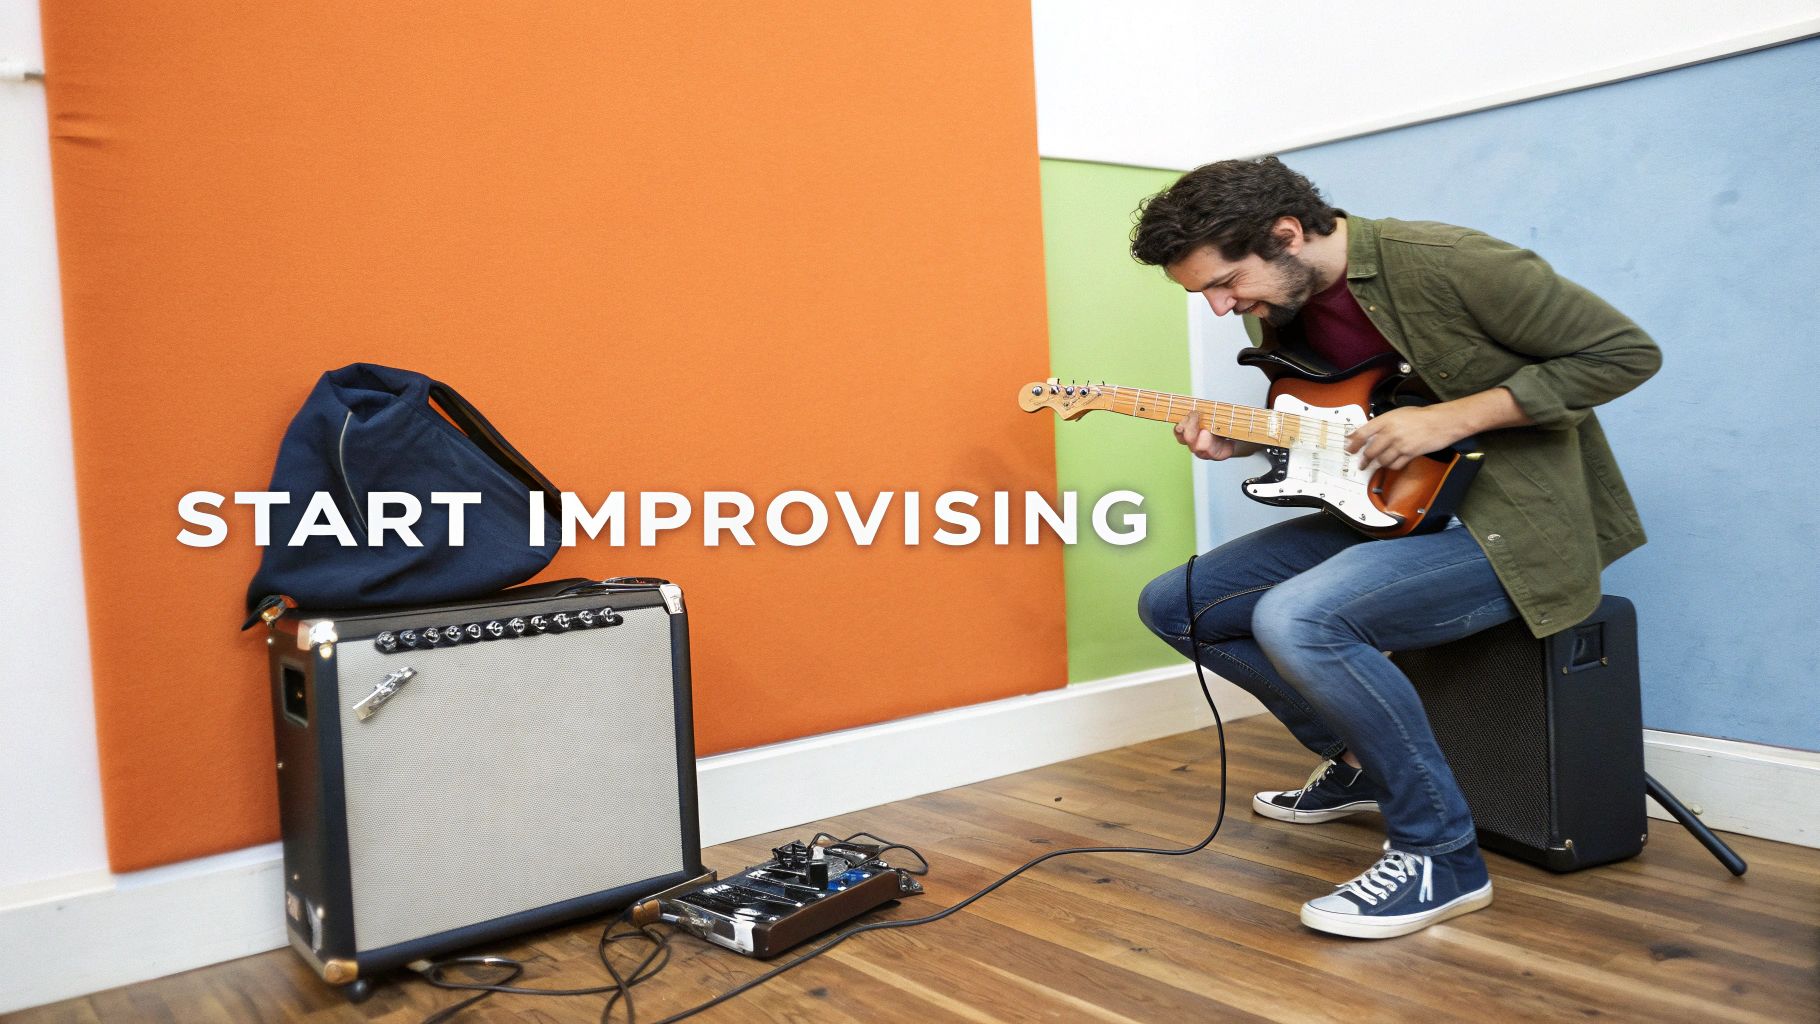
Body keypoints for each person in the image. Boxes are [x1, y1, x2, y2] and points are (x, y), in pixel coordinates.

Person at [1129, 157, 1660, 939]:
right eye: (1202, 293)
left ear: (1286, 235)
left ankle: (1440, 856)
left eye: (1225, 282)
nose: (1218, 306)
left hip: (1516, 527)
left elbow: (1624, 353)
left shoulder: (1448, 263)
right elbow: (1345, 425)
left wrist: (1455, 417)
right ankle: (1358, 763)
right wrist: (1241, 447)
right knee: (1176, 605)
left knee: (1299, 618)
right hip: (1391, 517)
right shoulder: (1277, 297)